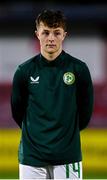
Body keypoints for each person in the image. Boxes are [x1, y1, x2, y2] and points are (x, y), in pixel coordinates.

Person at [11, 9, 94, 179]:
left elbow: (85, 113)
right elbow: (17, 111)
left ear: (64, 35)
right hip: (31, 158)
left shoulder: (79, 69)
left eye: (57, 33)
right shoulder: (24, 71)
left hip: (67, 157)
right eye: (46, 32)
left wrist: (66, 137)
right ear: (37, 34)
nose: (51, 38)